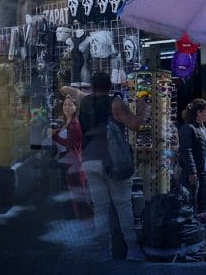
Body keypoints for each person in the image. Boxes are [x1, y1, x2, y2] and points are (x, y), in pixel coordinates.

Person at [61, 72, 146, 261]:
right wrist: (141, 110)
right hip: (113, 161)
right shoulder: (115, 103)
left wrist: (75, 90)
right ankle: (132, 250)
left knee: (100, 208)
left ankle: (102, 252)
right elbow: (135, 124)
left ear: (92, 86)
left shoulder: (84, 103)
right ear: (110, 86)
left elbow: (68, 90)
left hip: (89, 159)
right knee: (123, 206)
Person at [50, 95, 92, 219]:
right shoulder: (67, 123)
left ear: (76, 107)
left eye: (71, 105)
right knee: (70, 190)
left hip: (73, 161)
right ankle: (75, 215)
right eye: (65, 104)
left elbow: (69, 142)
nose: (67, 107)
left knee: (75, 191)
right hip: (67, 160)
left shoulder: (75, 124)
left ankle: (80, 216)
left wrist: (54, 136)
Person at [179, 98, 206, 213]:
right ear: (199, 112)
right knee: (190, 206)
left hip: (205, 174)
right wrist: (192, 172)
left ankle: (203, 229)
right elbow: (186, 151)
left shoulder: (203, 128)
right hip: (194, 175)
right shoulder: (188, 128)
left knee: (204, 208)